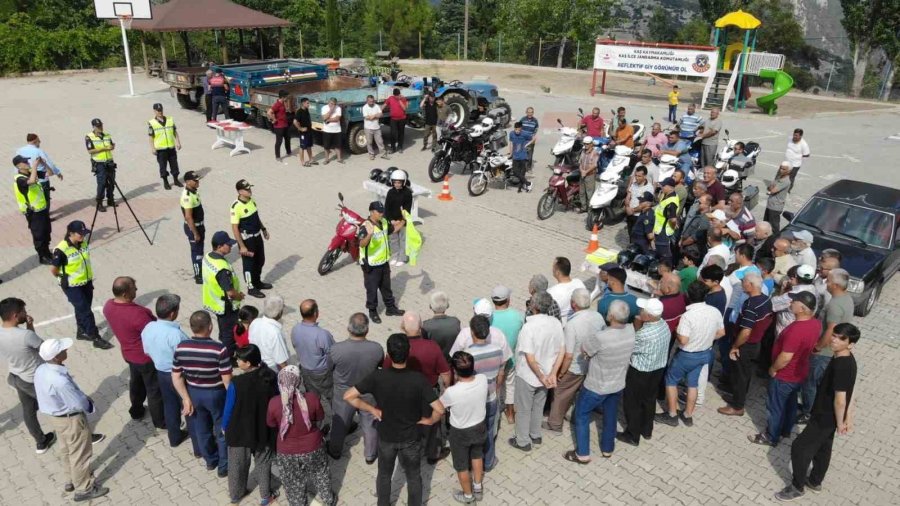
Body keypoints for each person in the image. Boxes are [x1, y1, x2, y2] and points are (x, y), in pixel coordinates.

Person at [344, 334, 441, 506]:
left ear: (388, 354)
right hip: (411, 438)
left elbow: (349, 396)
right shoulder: (418, 379)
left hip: (386, 437)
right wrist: (430, 420)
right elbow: (439, 409)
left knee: (384, 475)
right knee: (413, 476)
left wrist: (372, 409)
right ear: (408, 352)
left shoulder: (377, 377)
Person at [775, 323, 859, 501]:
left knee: (799, 447)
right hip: (829, 416)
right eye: (834, 335)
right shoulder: (846, 359)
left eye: (841, 338)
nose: (834, 340)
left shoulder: (842, 365)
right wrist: (846, 418)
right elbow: (852, 391)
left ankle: (797, 487)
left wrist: (841, 422)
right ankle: (814, 481)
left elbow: (841, 399)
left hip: (825, 416)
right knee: (823, 448)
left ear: (851, 344)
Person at [34, 338, 109, 501]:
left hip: (54, 417)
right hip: (70, 419)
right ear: (55, 357)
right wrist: (89, 404)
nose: (66, 351)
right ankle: (84, 489)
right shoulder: (59, 381)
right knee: (80, 454)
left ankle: (70, 480)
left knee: (66, 449)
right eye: (63, 350)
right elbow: (77, 403)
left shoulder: (41, 369)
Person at [565, 300, 635, 463]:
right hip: (617, 384)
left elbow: (584, 349)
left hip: (596, 385)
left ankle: (582, 453)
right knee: (610, 415)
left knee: (581, 414)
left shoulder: (601, 337)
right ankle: (607, 449)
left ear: (610, 316)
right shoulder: (631, 331)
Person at [749, 291, 821, 447]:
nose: (790, 303)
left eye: (794, 302)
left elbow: (786, 357)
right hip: (800, 372)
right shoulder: (815, 323)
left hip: (785, 375)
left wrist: (773, 369)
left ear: (801, 308)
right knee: (791, 403)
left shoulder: (796, 330)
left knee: (775, 406)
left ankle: (771, 436)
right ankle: (786, 430)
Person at [383, 312, 451, 464]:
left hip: (403, 394)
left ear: (402, 327)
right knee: (432, 424)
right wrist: (446, 387)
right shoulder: (432, 347)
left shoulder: (397, 347)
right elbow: (445, 372)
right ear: (421, 327)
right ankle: (433, 453)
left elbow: (387, 370)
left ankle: (410, 451)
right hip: (429, 394)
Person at [172, 310, 233, 476]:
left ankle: (210, 461)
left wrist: (185, 398)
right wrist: (233, 400)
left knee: (202, 430)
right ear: (210, 327)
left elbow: (176, 375)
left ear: (191, 328)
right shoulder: (219, 349)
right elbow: (227, 380)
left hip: (194, 392)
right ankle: (224, 466)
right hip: (216, 393)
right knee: (221, 428)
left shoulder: (181, 347)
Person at [656, 281, 725, 427]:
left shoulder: (688, 315)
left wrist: (676, 331)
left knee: (671, 380)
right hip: (704, 353)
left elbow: (683, 339)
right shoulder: (715, 311)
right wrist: (706, 339)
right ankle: (688, 415)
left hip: (686, 355)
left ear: (688, 295)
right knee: (693, 384)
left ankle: (672, 414)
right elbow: (721, 332)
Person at [267, 366, 335, 506]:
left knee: (293, 481)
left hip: (287, 451)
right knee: (320, 473)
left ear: (280, 382)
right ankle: (328, 500)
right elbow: (319, 417)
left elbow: (271, 424)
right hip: (313, 446)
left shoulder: (274, 402)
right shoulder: (311, 398)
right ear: (299, 381)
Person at [102, 277, 164, 428]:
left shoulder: (108, 306)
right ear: (124, 294)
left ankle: (136, 410)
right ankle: (161, 422)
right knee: (154, 390)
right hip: (145, 357)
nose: (136, 289)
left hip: (128, 354)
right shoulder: (139, 314)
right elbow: (155, 332)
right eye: (133, 288)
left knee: (136, 383)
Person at [222, 345, 277, 505]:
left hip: (240, 431)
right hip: (263, 429)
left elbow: (228, 408)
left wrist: (224, 427)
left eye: (239, 359)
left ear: (248, 363)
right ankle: (266, 496)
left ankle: (236, 495)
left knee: (237, 464)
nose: (237, 361)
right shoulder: (270, 376)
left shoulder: (237, 383)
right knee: (263, 461)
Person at [509, 292, 565, 451]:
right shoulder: (555, 323)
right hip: (548, 374)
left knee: (524, 409)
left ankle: (522, 441)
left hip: (529, 375)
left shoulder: (529, 327)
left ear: (533, 306)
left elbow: (530, 358)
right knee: (538, 406)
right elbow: (562, 350)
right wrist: (552, 373)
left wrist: (540, 375)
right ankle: (535, 434)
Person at [431, 351, 488, 504]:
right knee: (477, 455)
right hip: (480, 426)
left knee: (461, 465)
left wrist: (428, 421)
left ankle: (468, 496)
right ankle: (478, 487)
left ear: (455, 371)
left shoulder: (452, 392)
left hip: (460, 433)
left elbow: (439, 408)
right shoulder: (482, 380)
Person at [0, 297, 56, 453]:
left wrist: (29, 325)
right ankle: (80, 435)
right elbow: (44, 349)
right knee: (60, 405)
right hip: (36, 378)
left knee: (28, 410)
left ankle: (41, 442)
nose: (26, 313)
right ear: (15, 316)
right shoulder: (24, 335)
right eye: (23, 311)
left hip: (17, 377)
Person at [799, 269, 854, 424]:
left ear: (835, 285)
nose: (826, 283)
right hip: (831, 351)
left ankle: (808, 412)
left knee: (810, 383)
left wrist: (818, 346)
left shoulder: (835, 305)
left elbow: (831, 329)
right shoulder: (847, 298)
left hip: (824, 352)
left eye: (828, 281)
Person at [545, 288, 604, 433]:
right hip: (592, 364)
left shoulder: (572, 325)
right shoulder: (598, 317)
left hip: (575, 367)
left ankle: (555, 423)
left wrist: (561, 373)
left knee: (560, 392)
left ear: (573, 304)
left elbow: (568, 355)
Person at [327, 313, 384, 462]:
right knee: (370, 423)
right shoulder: (377, 348)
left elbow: (329, 367)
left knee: (340, 422)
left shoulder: (336, 349)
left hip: (343, 391)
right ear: (367, 330)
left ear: (348, 328)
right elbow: (380, 366)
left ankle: (335, 450)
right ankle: (370, 454)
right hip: (368, 391)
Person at [141, 294, 194, 449]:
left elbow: (147, 351)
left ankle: (174, 436)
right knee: (187, 403)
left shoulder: (148, 328)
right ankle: (195, 433)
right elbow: (188, 358)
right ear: (172, 313)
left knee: (170, 406)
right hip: (180, 376)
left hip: (161, 373)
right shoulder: (176, 335)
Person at [50, 221, 112, 350]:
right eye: (80, 234)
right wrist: (63, 278)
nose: (83, 236)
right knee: (86, 311)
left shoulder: (82, 243)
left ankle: (81, 330)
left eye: (84, 233)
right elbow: (53, 270)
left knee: (83, 308)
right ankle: (95, 337)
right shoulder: (61, 249)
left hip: (86, 282)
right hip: (72, 286)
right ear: (71, 233)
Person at [718, 273, 773, 417]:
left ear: (751, 285)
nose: (742, 285)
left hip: (745, 345)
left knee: (740, 375)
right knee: (745, 373)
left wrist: (735, 346)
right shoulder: (766, 300)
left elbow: (746, 331)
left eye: (744, 282)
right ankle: (738, 397)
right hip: (755, 343)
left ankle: (737, 406)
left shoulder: (751, 305)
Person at [618, 298, 670, 446]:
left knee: (632, 402)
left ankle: (632, 435)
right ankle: (647, 430)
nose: (639, 312)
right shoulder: (663, 325)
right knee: (649, 399)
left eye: (642, 310)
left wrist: (635, 326)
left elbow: (629, 347)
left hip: (640, 372)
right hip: (657, 369)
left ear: (648, 316)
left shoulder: (645, 334)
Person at [462, 315, 508, 472]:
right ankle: (488, 462)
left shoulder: (467, 355)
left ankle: (471, 464)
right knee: (488, 431)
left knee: (471, 433)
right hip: (491, 398)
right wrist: (496, 388)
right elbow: (501, 374)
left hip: (473, 401)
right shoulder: (497, 350)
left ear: (472, 333)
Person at [359, 201, 405, 324]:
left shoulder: (384, 222)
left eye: (382, 211)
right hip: (371, 265)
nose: (381, 213)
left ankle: (390, 308)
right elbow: (361, 243)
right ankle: (372, 311)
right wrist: (369, 235)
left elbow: (392, 229)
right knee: (372, 289)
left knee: (386, 288)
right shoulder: (365, 226)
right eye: (379, 211)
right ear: (372, 212)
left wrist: (403, 221)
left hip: (384, 262)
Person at [291, 299, 335, 424]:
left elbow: (295, 345)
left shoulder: (295, 329)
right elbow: (332, 353)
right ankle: (336, 418)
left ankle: (316, 419)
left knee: (312, 397)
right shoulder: (322, 334)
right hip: (322, 372)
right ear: (316, 313)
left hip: (305, 369)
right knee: (331, 395)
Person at [202, 231, 245, 356]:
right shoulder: (222, 269)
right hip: (225, 306)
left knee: (223, 329)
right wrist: (240, 296)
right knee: (229, 334)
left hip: (214, 301)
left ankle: (223, 345)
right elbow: (230, 293)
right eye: (228, 244)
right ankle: (228, 357)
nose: (231, 246)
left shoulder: (208, 257)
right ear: (219, 246)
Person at [231, 179, 272, 298]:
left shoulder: (251, 201)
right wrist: (242, 246)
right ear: (240, 191)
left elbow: (256, 217)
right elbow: (234, 228)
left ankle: (257, 282)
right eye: (247, 189)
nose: (250, 191)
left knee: (260, 260)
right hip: (247, 240)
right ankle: (251, 287)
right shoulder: (236, 207)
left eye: (250, 188)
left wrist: (263, 229)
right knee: (249, 265)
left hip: (257, 236)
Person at [12, 155, 53, 264]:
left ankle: (47, 252)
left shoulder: (30, 173)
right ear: (18, 166)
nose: (27, 162)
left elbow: (50, 173)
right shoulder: (19, 179)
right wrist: (35, 166)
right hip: (33, 212)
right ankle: (42, 257)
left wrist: (44, 164)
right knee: (39, 235)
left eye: (27, 160)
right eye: (24, 162)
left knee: (46, 232)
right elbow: (32, 181)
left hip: (42, 209)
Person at [17, 133, 63, 210]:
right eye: (39, 141)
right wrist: (58, 173)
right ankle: (46, 216)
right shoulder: (38, 151)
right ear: (34, 141)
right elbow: (49, 163)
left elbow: (17, 164)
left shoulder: (19, 151)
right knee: (45, 198)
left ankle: (33, 212)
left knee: (32, 197)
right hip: (42, 179)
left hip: (27, 179)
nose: (40, 142)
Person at [248, 296, 289, 371]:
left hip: (257, 364)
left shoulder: (255, 322)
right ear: (279, 313)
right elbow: (281, 360)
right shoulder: (275, 332)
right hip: (271, 368)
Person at [85, 118, 116, 212]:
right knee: (101, 183)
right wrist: (105, 148)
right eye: (98, 126)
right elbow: (90, 150)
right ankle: (99, 203)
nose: (100, 128)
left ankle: (110, 200)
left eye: (101, 125)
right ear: (94, 127)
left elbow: (111, 145)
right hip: (99, 164)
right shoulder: (89, 137)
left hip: (109, 162)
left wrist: (112, 147)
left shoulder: (107, 135)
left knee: (111, 182)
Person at [148, 103, 182, 189]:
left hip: (171, 147)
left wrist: (178, 142)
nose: (160, 112)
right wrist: (152, 148)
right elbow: (151, 137)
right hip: (161, 149)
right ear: (154, 111)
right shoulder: (152, 123)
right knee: (163, 167)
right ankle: (166, 182)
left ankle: (176, 180)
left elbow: (175, 132)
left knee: (174, 165)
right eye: (158, 111)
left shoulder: (170, 120)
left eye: (161, 110)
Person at [180, 171, 205, 284]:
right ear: (187, 182)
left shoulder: (194, 192)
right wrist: (195, 233)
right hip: (193, 228)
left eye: (198, 180)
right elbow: (188, 217)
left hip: (199, 226)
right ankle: (198, 275)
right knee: (196, 252)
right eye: (195, 181)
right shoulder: (187, 197)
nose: (197, 182)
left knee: (200, 251)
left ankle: (200, 269)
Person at [422, 291, 462, 362]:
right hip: (452, 360)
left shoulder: (426, 325)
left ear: (430, 306)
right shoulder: (455, 322)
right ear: (447, 306)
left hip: (435, 361)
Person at [385, 169, 413, 266]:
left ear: (403, 182)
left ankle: (402, 257)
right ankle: (394, 256)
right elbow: (387, 208)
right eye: (395, 182)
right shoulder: (390, 192)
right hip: (392, 222)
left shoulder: (407, 193)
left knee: (403, 239)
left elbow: (407, 210)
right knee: (393, 239)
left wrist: (401, 221)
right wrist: (391, 220)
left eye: (399, 182)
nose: (397, 184)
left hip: (403, 221)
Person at [547, 257, 586, 323]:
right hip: (581, 319)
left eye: (553, 267)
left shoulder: (551, 292)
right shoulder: (579, 282)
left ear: (558, 272)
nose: (552, 269)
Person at [653, 177, 680, 266]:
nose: (662, 187)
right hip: (660, 229)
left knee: (664, 254)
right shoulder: (667, 195)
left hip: (663, 232)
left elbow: (672, 219)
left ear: (670, 187)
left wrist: (674, 224)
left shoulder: (671, 202)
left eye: (664, 186)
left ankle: (665, 270)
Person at [765, 162, 792, 234]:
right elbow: (769, 187)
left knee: (774, 226)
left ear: (789, 171)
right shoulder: (778, 177)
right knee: (766, 223)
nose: (781, 170)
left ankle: (775, 239)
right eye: (780, 168)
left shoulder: (786, 181)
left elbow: (773, 190)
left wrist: (771, 188)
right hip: (770, 204)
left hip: (775, 206)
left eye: (784, 169)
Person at [267, 89, 293, 162]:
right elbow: (269, 112)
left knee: (287, 139)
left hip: (285, 124)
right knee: (279, 141)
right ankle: (277, 156)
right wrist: (273, 119)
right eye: (286, 97)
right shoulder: (277, 104)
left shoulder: (283, 103)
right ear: (283, 97)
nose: (287, 98)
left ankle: (288, 151)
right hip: (279, 126)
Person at [509, 121, 534, 193]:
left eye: (519, 130)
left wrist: (527, 145)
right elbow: (510, 143)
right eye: (516, 129)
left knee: (522, 173)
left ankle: (520, 188)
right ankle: (528, 183)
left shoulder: (525, 134)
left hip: (523, 156)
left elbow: (534, 138)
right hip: (515, 156)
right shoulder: (511, 134)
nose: (517, 131)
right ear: (514, 128)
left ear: (521, 129)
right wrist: (510, 153)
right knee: (515, 171)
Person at [362, 95, 389, 160]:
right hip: (368, 128)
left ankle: (383, 154)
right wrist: (376, 115)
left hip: (377, 127)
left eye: (372, 101)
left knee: (380, 141)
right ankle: (371, 154)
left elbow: (381, 114)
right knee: (369, 142)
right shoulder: (365, 107)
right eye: (370, 101)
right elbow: (367, 117)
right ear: (367, 101)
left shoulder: (376, 106)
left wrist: (373, 116)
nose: (372, 102)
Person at [293, 97, 317, 166]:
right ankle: (302, 162)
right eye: (307, 103)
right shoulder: (299, 111)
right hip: (303, 133)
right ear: (303, 103)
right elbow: (295, 122)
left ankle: (311, 159)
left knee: (309, 146)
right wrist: (300, 128)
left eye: (309, 103)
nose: (309, 104)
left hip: (309, 131)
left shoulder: (306, 110)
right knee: (302, 147)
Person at [577, 136, 599, 209]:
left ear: (591, 144)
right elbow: (580, 163)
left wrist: (585, 172)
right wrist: (582, 171)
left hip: (590, 175)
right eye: (585, 143)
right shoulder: (583, 152)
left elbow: (594, 165)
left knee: (590, 193)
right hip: (582, 174)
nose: (586, 145)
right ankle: (583, 207)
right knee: (582, 192)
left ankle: (590, 209)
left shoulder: (595, 152)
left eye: (587, 144)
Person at [385, 88, 408, 153]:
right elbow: (385, 105)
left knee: (401, 133)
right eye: (396, 95)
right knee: (393, 133)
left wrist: (399, 100)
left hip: (402, 119)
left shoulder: (403, 99)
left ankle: (400, 147)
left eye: (398, 95)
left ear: (399, 94)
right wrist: (379, 111)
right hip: (393, 119)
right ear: (393, 95)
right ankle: (393, 148)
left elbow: (404, 108)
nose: (397, 96)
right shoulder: (390, 98)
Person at [321, 97, 344, 164]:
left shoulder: (338, 108)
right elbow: (324, 117)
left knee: (338, 145)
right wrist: (331, 111)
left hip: (337, 130)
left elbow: (337, 118)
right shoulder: (324, 108)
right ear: (328, 102)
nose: (333, 105)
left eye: (334, 104)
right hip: (327, 130)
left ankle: (339, 159)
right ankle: (326, 159)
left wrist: (328, 120)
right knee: (326, 146)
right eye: (331, 104)